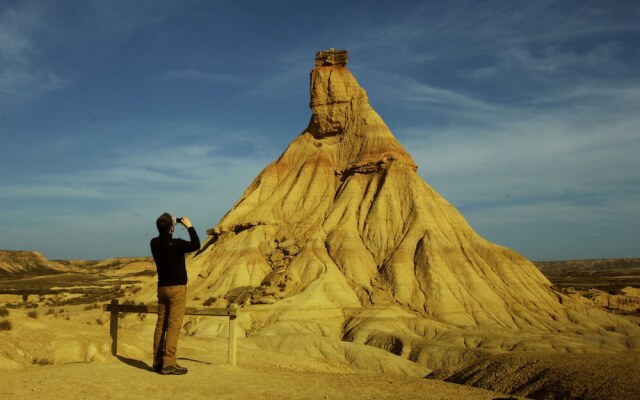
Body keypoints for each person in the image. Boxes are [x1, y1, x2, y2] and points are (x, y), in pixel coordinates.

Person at [150, 212, 200, 375]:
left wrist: (172, 222)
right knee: (173, 326)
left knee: (161, 325)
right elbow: (196, 244)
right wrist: (189, 226)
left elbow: (164, 231)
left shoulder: (154, 243)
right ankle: (169, 363)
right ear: (172, 228)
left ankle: (157, 361)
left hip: (162, 288)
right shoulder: (178, 244)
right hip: (177, 289)